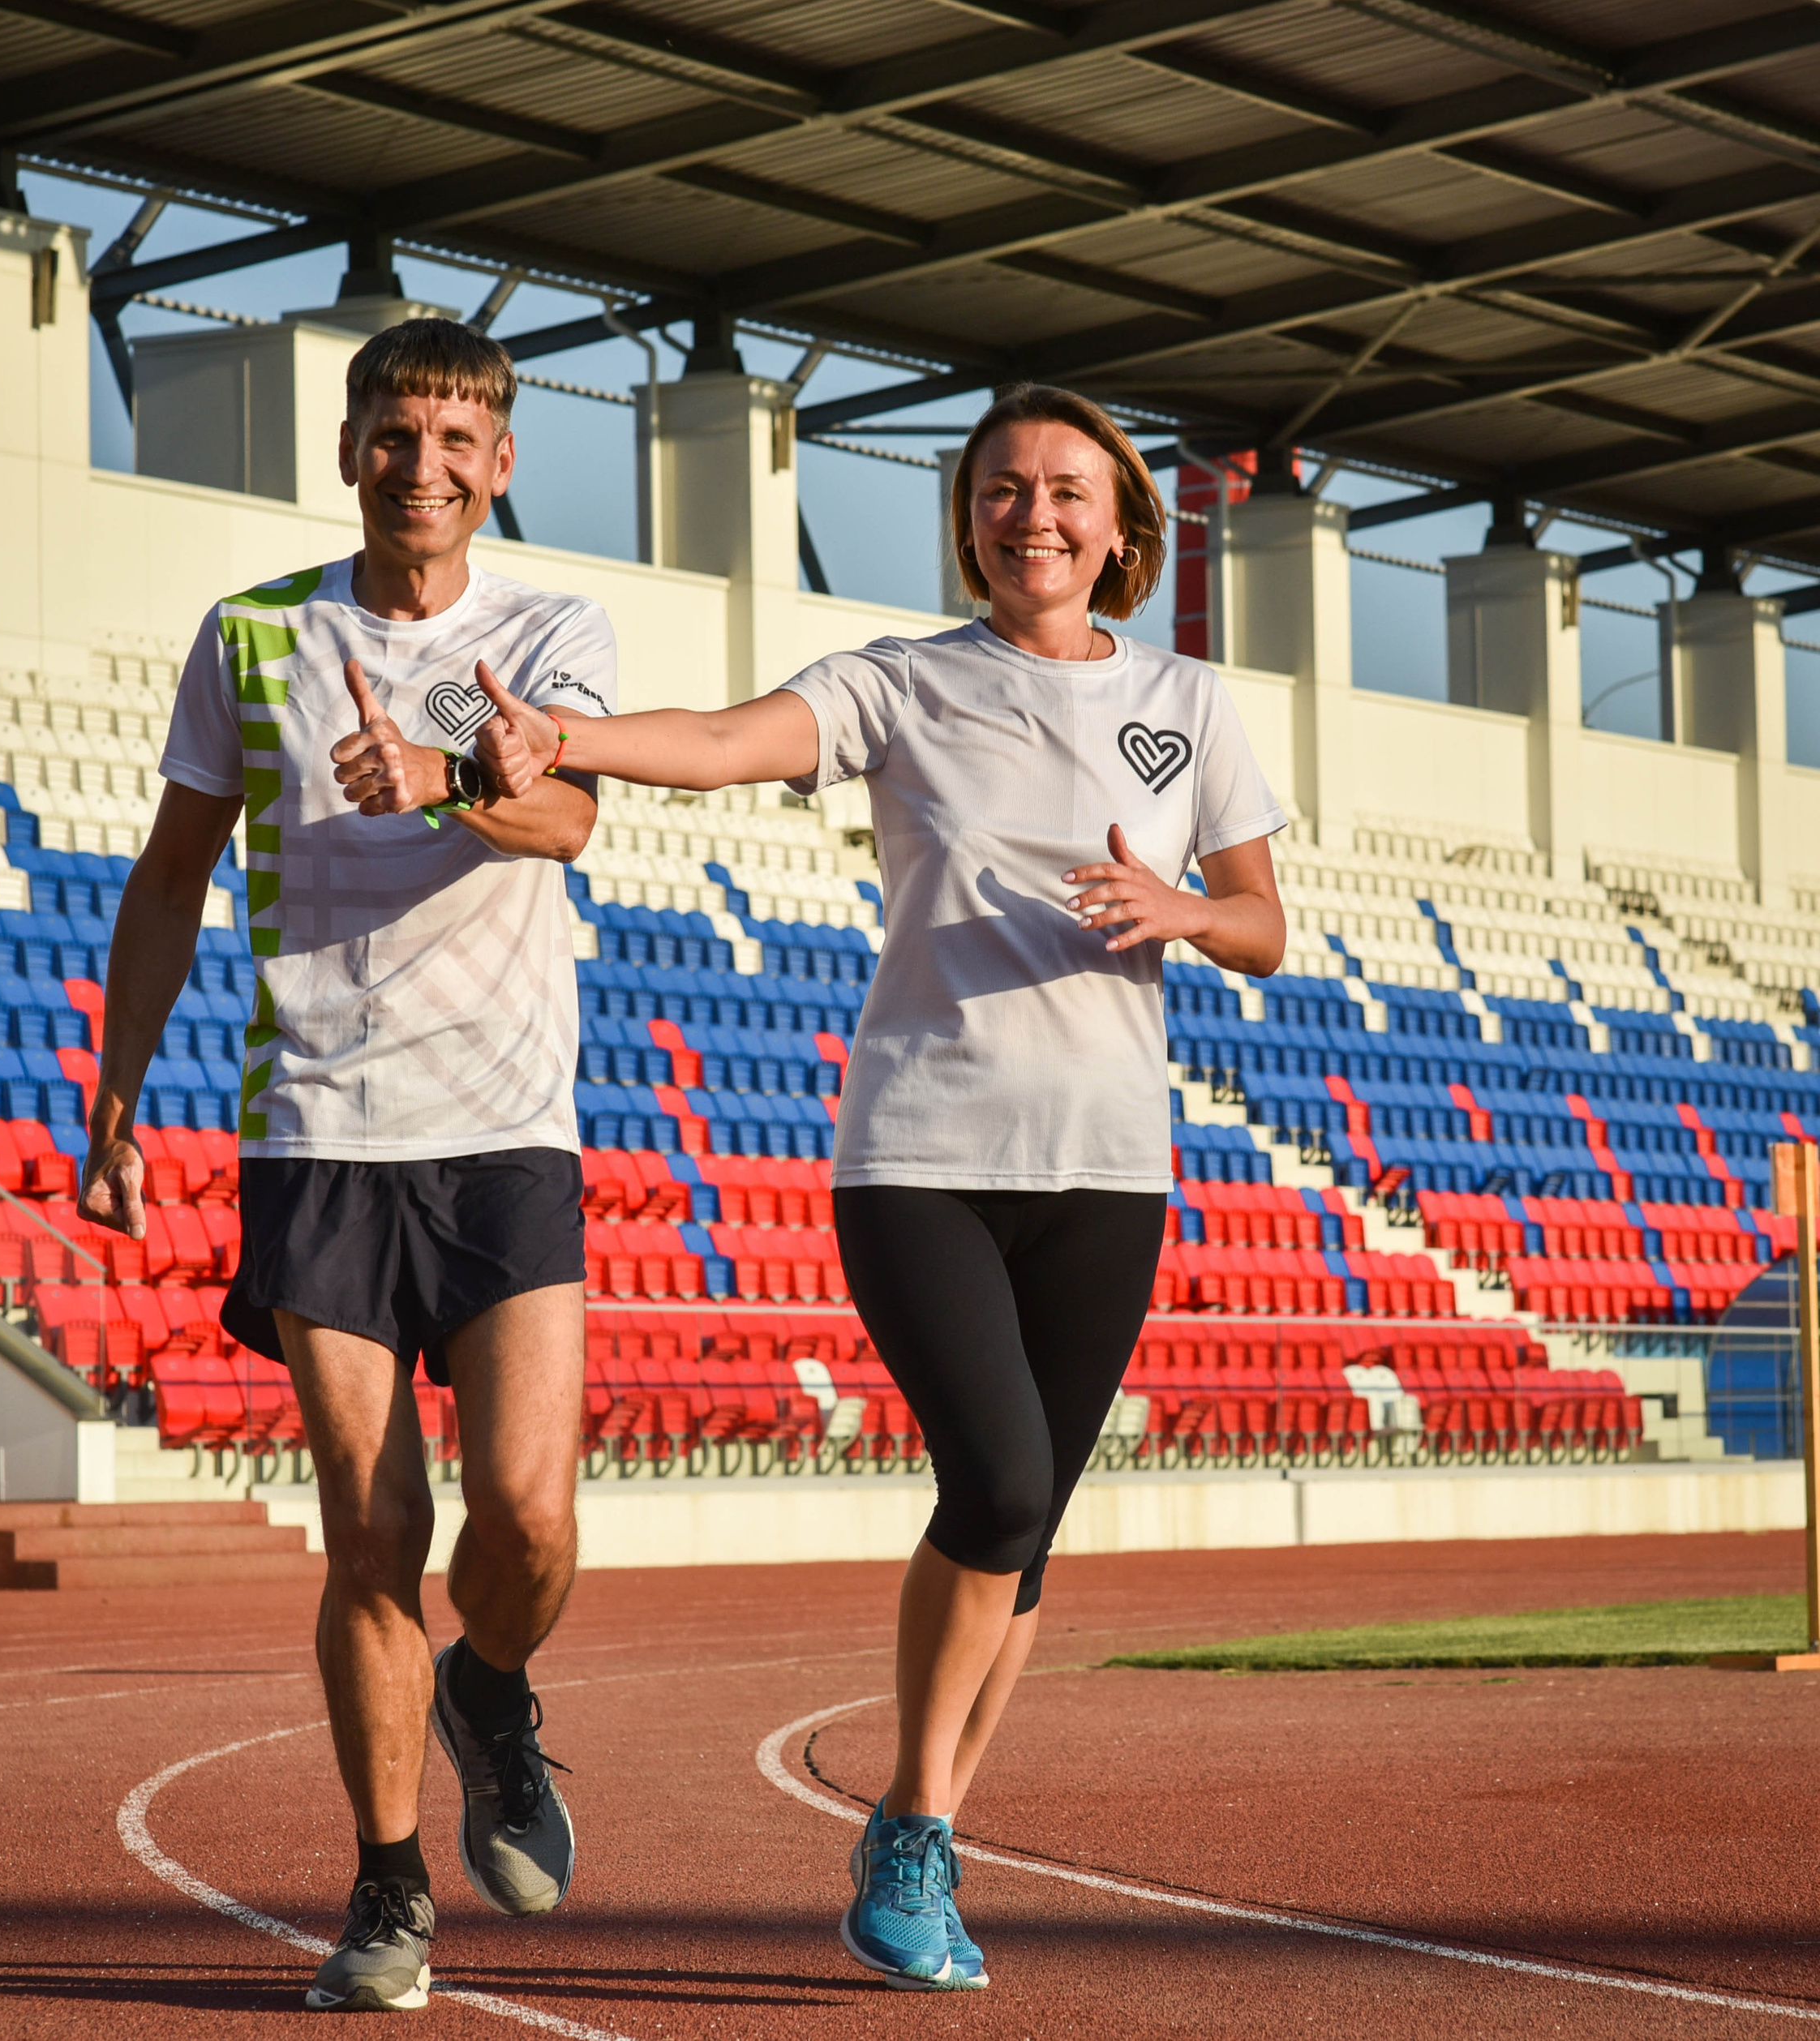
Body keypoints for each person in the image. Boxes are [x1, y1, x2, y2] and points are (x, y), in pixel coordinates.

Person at [473, 383, 1287, 1992]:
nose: (1029, 513)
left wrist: (1174, 911)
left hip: (1108, 1167)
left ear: (1120, 524)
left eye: (1062, 490)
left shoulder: (1186, 699)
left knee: (1026, 1538)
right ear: (967, 517)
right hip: (919, 1153)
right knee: (992, 1486)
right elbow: (718, 743)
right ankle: (910, 1829)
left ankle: (919, 1832)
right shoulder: (901, 683)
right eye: (998, 489)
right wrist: (560, 736)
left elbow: (1262, 920)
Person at [79, 317, 615, 2013]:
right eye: (395, 434)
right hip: (318, 1128)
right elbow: (171, 879)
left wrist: (450, 773)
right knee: (372, 1530)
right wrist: (113, 1101)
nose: (424, 467)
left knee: (526, 1519)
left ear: (500, 464)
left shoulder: (550, 628)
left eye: (458, 439)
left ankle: (495, 1687)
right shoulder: (251, 636)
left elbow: (570, 818)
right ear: (347, 451)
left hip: (509, 1127)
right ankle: (388, 1885)